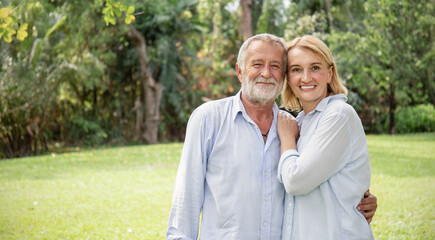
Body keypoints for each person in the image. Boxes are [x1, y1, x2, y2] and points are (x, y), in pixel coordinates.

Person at [167, 33, 377, 240]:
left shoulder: (292, 127)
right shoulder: (208, 119)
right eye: (257, 64)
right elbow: (187, 196)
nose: (266, 73)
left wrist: (357, 197)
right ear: (240, 72)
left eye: (275, 66)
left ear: (283, 76)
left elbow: (317, 175)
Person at [277, 35, 374, 239]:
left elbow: (296, 182)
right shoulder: (301, 122)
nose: (305, 78)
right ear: (288, 77)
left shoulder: (339, 114)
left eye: (315, 68)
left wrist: (287, 139)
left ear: (330, 73)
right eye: (296, 69)